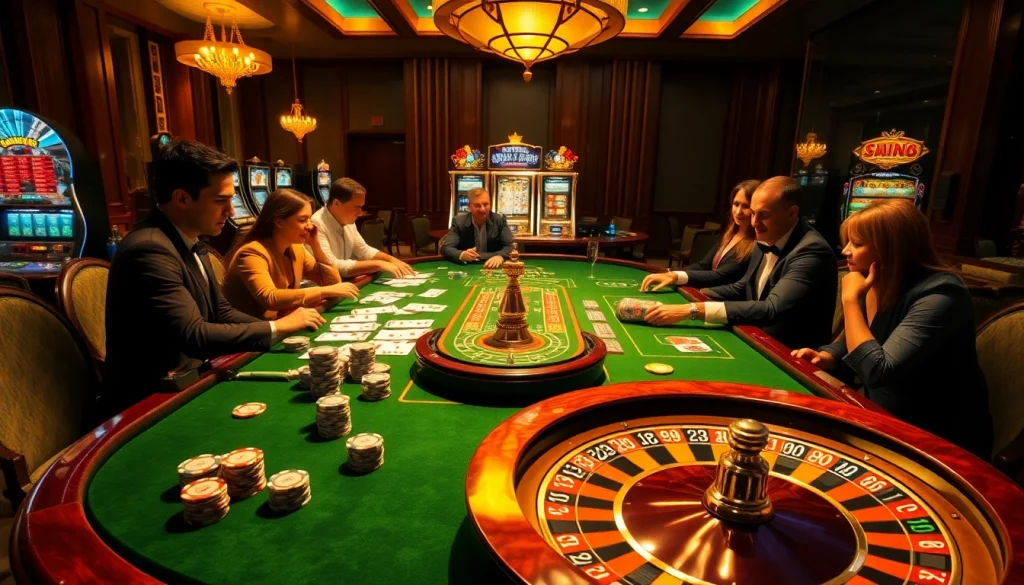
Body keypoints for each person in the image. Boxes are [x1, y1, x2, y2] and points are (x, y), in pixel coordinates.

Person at [104, 141, 325, 413]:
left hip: (194, 377)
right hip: (151, 402)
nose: (232, 211)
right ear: (182, 198)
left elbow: (220, 311)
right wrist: (276, 328)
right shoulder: (149, 249)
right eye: (221, 201)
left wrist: (280, 330)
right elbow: (194, 335)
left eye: (232, 200)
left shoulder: (189, 241)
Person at [792, 199, 992, 458]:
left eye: (858, 244)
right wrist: (827, 356)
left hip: (937, 441)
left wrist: (850, 301)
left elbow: (879, 371)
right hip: (880, 418)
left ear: (891, 248)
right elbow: (851, 340)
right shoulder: (877, 278)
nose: (846, 252)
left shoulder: (941, 295)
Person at [644, 176, 837, 351]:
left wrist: (693, 310)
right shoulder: (769, 235)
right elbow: (744, 285)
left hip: (788, 354)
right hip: (754, 335)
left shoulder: (811, 251)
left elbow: (772, 308)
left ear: (792, 213)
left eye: (764, 215)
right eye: (753, 213)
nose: (754, 222)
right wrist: (697, 295)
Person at [223, 188, 360, 319]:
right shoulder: (252, 253)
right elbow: (271, 299)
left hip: (278, 322)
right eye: (302, 220)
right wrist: (323, 292)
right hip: (252, 331)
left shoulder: (296, 248)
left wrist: (315, 246)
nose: (310, 226)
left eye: (309, 219)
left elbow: (331, 281)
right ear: (279, 221)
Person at [641, 179, 759, 292]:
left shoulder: (756, 245)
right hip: (707, 292)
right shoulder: (728, 235)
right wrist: (669, 272)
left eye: (746, 206)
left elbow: (719, 276)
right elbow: (703, 265)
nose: (738, 211)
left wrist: (675, 276)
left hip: (722, 301)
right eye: (736, 204)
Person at [310, 177, 415, 278]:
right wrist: (378, 264)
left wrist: (392, 260)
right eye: (357, 207)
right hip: (320, 289)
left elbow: (364, 251)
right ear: (336, 203)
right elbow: (332, 266)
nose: (360, 213)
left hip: (340, 283)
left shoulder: (347, 221)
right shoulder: (317, 224)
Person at [440, 187, 514, 268]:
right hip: (468, 267)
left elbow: (509, 246)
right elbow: (446, 248)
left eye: (486, 204)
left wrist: (500, 256)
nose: (482, 209)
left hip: (494, 266)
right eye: (477, 205)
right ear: (469, 207)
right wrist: (461, 254)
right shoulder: (458, 222)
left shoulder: (499, 220)